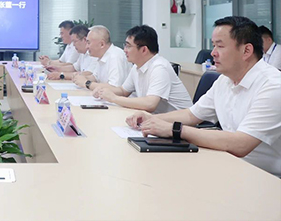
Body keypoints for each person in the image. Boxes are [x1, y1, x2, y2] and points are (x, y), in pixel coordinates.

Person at [127, 16, 281, 177]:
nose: (213, 53)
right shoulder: (224, 80)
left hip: (265, 177)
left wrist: (174, 129)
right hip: (229, 163)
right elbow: (191, 115)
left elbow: (241, 144)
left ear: (246, 51)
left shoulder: (273, 86)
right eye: (213, 46)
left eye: (220, 46)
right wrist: (151, 119)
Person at [92, 25, 193, 113]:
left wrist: (114, 98)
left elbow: (150, 104)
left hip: (179, 123)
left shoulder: (159, 67)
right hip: (157, 119)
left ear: (144, 50)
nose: (125, 50)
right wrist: (103, 91)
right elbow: (123, 91)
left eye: (128, 46)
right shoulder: (137, 66)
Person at [72, 25, 129, 89]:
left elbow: (114, 87)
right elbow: (95, 77)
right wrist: (81, 77)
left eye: (88, 43)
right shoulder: (101, 56)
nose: (86, 47)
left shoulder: (115, 56)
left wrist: (86, 83)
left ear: (102, 44)